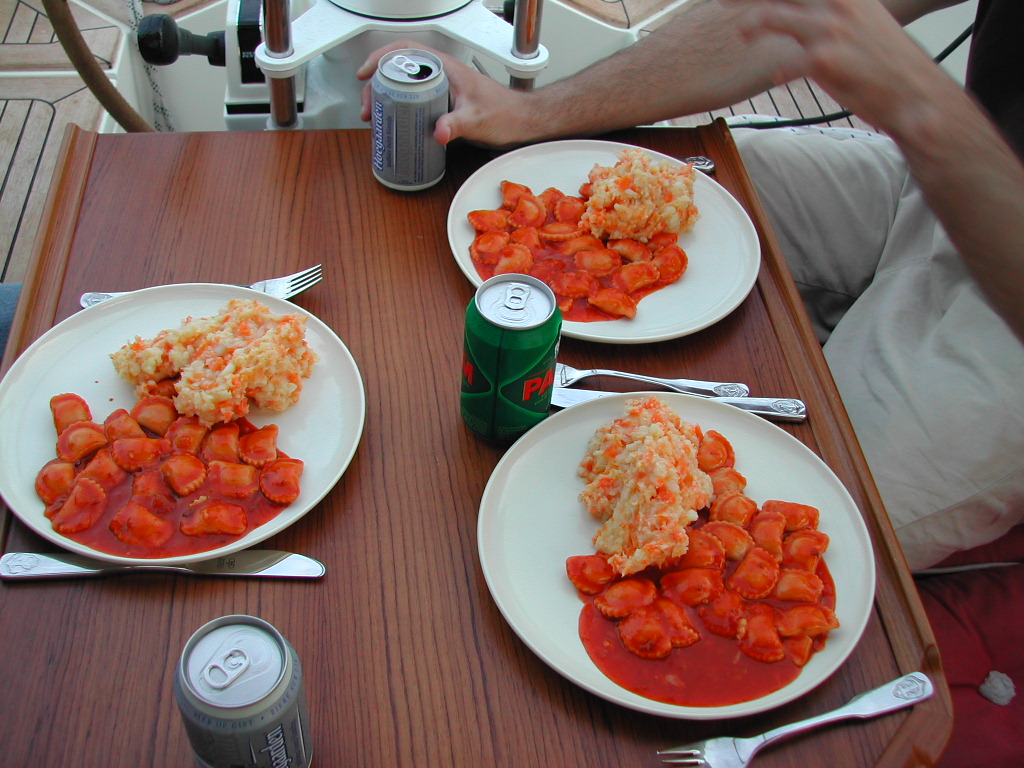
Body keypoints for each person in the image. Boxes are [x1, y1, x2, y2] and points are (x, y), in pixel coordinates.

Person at [359, 0, 1024, 573]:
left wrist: (917, 103)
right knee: (678, 187)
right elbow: (793, 15)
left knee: (801, 523)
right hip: (936, 167)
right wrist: (531, 113)